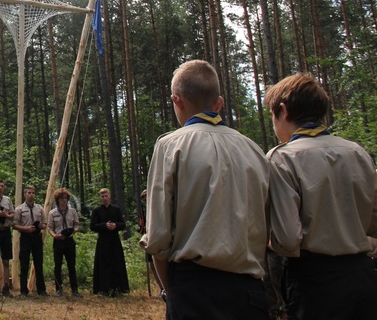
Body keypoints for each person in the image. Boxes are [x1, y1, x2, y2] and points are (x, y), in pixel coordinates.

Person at [140, 59, 269, 319]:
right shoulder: (255, 150)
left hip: (194, 289)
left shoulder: (170, 146)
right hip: (250, 291)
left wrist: (170, 290)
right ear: (219, 103)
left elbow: (157, 239)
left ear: (177, 101)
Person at [265, 73, 377, 319]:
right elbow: (373, 223)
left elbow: (286, 239)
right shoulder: (358, 153)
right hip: (364, 275)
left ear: (283, 111)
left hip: (313, 282)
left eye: (272, 116)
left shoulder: (282, 158)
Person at [90, 188, 130, 296]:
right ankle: (104, 289)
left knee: (117, 263)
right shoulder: (97, 211)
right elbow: (92, 226)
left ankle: (118, 288)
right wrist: (105, 226)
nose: (104, 198)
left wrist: (115, 225)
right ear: (100, 198)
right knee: (103, 264)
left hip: (114, 240)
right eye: (102, 196)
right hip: (103, 240)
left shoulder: (116, 209)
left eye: (106, 196)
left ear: (110, 196)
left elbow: (122, 224)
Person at [13, 185, 48, 298]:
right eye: (29, 193)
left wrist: (42, 226)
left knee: (38, 264)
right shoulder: (19, 209)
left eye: (33, 193)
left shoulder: (39, 208)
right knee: (24, 264)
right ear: (25, 194)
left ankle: (41, 290)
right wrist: (25, 229)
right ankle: (24, 291)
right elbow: (14, 225)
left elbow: (44, 222)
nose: (31, 195)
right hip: (25, 237)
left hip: (37, 237)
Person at [47, 188, 81, 298]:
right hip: (58, 241)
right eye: (61, 199)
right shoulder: (52, 213)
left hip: (69, 240)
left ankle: (75, 290)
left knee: (72, 265)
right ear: (57, 200)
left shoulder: (72, 212)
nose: (63, 201)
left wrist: (74, 230)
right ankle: (58, 289)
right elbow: (50, 228)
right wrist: (55, 235)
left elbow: (77, 225)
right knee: (58, 266)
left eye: (65, 198)